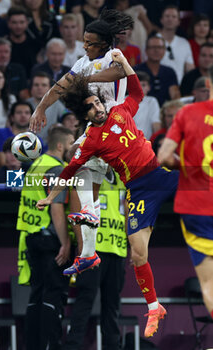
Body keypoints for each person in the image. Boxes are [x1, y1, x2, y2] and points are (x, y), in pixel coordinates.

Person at [36, 52, 178, 338]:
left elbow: (136, 91)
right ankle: (154, 307)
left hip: (159, 177)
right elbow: (69, 171)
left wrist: (125, 65)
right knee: (138, 255)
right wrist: (51, 198)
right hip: (138, 192)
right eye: (91, 107)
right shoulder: (89, 142)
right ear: (84, 115)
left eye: (98, 102)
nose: (98, 108)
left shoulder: (120, 111)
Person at [30, 8, 133, 275]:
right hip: (97, 126)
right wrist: (40, 108)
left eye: (90, 43)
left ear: (103, 44)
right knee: (88, 189)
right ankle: (88, 253)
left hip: (115, 125)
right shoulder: (82, 62)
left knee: (76, 156)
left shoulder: (113, 55)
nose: (84, 46)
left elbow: (119, 73)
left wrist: (85, 79)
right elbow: (60, 85)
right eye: (84, 41)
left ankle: (88, 239)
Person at [157, 65, 213, 319]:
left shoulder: (187, 113)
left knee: (209, 281)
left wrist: (189, 166)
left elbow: (163, 156)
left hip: (196, 207)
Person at [16, 125, 75, 350]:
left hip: (31, 238)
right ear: (60, 145)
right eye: (71, 144)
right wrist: (65, 243)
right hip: (51, 241)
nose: (72, 149)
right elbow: (56, 209)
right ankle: (52, 345)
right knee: (54, 295)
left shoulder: (34, 166)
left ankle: (33, 345)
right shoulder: (57, 170)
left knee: (36, 295)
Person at [63, 168, 127, 350]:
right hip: (93, 249)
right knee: (85, 302)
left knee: (112, 305)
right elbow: (75, 208)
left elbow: (130, 213)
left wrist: (135, 245)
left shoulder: (124, 179)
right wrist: (82, 244)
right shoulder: (88, 175)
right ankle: (72, 346)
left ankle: (112, 346)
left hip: (117, 249)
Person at [136, 35, 180, 106]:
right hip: (141, 110)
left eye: (159, 47)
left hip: (164, 112)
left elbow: (175, 96)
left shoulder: (169, 72)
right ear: (146, 50)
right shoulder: (136, 70)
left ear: (164, 50)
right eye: (153, 47)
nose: (156, 50)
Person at [27, 71, 66, 147]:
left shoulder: (57, 104)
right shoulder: (25, 105)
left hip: (50, 145)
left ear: (49, 88)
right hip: (29, 144)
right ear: (31, 88)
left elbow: (67, 118)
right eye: (36, 85)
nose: (39, 88)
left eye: (44, 85)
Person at [158, 5, 195, 84]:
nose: (170, 19)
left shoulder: (184, 43)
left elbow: (190, 70)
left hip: (179, 88)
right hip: (157, 87)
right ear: (161, 20)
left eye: (174, 16)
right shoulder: (152, 41)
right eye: (167, 16)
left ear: (179, 21)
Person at [0, 101, 34, 168]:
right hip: (5, 175)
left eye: (27, 113)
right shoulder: (0, 133)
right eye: (19, 112)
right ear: (12, 117)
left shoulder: (36, 139)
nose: (23, 115)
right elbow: (1, 163)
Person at [6, 6, 40, 79]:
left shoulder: (35, 44)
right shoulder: (4, 45)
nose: (18, 26)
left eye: (22, 22)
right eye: (14, 22)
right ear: (8, 23)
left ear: (27, 23)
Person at [133, 70, 161, 140]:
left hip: (146, 143)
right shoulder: (123, 100)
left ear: (149, 87)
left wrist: (156, 143)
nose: (140, 88)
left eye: (143, 85)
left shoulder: (151, 101)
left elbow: (156, 124)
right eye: (137, 85)